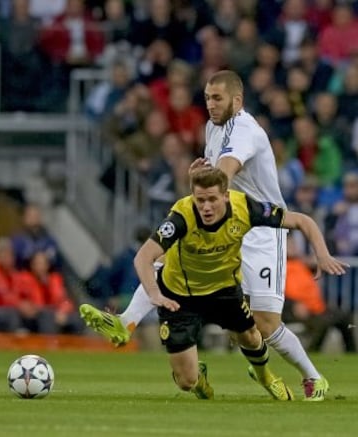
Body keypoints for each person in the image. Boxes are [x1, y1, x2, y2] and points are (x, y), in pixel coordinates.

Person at [80, 70, 333, 401]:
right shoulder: (213, 127)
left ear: (237, 100)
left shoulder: (244, 130)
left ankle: (313, 377)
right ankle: (125, 322)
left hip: (259, 230)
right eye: (207, 98)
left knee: (266, 324)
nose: (211, 105)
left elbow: (225, 172)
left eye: (218, 98)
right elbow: (215, 181)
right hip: (219, 218)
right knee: (171, 259)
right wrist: (199, 185)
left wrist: (202, 182)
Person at [81, 167, 347, 400]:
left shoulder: (245, 208)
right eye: (200, 200)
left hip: (224, 291)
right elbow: (143, 257)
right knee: (186, 382)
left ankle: (266, 377)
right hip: (179, 296)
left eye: (211, 200)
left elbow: (302, 221)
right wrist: (154, 294)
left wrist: (322, 254)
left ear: (226, 195)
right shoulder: (181, 216)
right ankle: (197, 378)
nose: (206, 207)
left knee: (252, 338)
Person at [283, 234, 356, 353]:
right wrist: (291, 304)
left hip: (317, 307)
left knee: (345, 316)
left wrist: (317, 260)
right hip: (295, 310)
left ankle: (352, 353)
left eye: (293, 244)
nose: (293, 247)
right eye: (290, 244)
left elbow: (318, 268)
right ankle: (312, 352)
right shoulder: (278, 266)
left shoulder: (300, 263)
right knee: (322, 322)